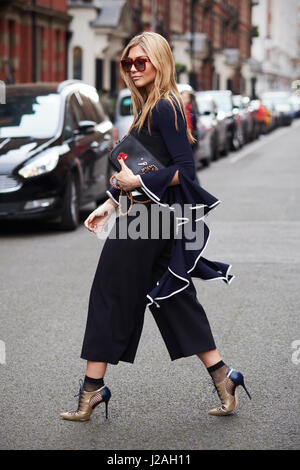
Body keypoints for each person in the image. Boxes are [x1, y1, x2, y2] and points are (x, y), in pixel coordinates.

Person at [60, 32, 251, 422]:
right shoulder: (150, 106)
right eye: (127, 63)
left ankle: (91, 391)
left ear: (160, 62)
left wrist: (135, 185)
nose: (133, 69)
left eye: (140, 62)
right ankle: (224, 376)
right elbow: (148, 168)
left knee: (109, 293)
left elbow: (185, 171)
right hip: (146, 216)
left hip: (148, 221)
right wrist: (111, 203)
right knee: (173, 297)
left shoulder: (166, 106)